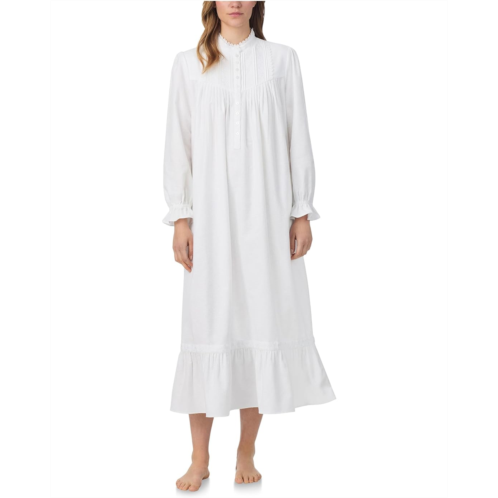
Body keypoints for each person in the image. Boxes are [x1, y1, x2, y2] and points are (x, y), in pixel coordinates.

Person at [163, 1, 336, 492]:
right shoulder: (189, 63)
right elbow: (179, 143)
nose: (235, 2)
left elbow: (297, 136)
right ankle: (199, 457)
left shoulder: (282, 60)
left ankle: (246, 449)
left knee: (260, 322)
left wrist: (300, 210)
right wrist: (181, 216)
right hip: (211, 219)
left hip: (267, 214)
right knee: (207, 326)